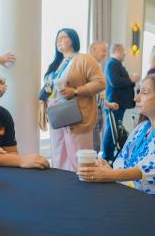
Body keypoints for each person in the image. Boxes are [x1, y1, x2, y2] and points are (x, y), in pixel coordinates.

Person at [77, 74, 155, 211]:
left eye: (144, 92)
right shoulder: (142, 128)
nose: (136, 98)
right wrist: (107, 168)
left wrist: (110, 175)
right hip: (138, 197)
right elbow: (123, 163)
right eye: (138, 91)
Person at [39, 28, 106, 172]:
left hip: (76, 116)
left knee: (78, 157)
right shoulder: (55, 64)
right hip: (57, 115)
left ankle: (82, 187)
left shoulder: (84, 59)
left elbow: (100, 82)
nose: (59, 40)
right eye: (57, 38)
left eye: (63, 37)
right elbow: (50, 89)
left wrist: (75, 91)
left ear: (74, 40)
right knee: (58, 155)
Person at [102, 44, 140, 161]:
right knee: (111, 130)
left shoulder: (116, 64)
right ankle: (106, 156)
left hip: (119, 103)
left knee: (116, 129)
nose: (124, 54)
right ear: (117, 51)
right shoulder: (112, 64)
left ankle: (110, 155)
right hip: (114, 102)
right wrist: (131, 80)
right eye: (123, 52)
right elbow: (115, 81)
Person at [89, 41, 119, 153]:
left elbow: (97, 93)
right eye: (103, 51)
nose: (105, 54)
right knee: (94, 147)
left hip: (99, 111)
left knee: (96, 145)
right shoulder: (88, 66)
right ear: (93, 49)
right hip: (91, 112)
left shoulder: (97, 66)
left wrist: (107, 104)